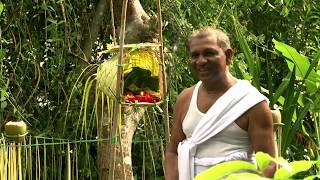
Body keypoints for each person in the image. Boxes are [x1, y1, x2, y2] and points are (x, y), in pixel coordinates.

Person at [165, 27, 276, 180]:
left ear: (228, 56)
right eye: (195, 55)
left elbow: (269, 165)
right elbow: (173, 152)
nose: (201, 61)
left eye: (209, 53)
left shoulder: (252, 103)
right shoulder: (185, 99)